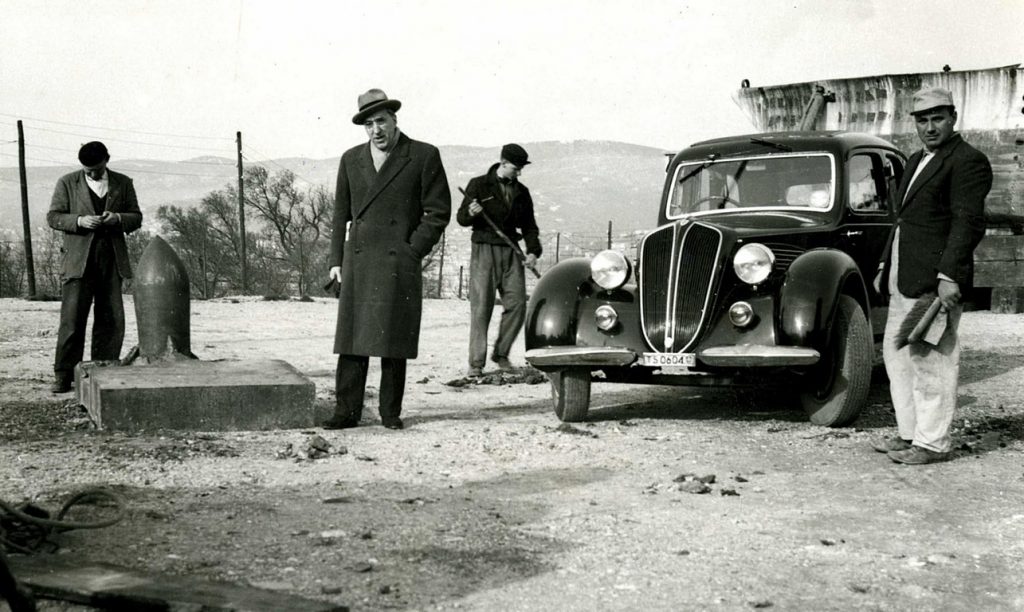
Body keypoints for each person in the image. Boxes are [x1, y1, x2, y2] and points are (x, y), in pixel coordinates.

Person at [873, 87, 992, 464]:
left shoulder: (967, 161)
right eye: (922, 120)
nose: (929, 127)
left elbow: (968, 223)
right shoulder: (915, 160)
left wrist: (949, 275)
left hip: (935, 281)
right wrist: (883, 265)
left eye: (937, 118)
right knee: (899, 359)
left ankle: (933, 443)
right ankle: (911, 434)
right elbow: (904, 220)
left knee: (932, 360)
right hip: (903, 277)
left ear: (953, 117)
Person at [324, 89, 451, 430]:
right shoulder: (351, 159)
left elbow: (438, 212)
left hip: (398, 261)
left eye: (381, 121)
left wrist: (412, 250)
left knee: (393, 338)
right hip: (359, 260)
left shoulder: (422, 155)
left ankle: (390, 413)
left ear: (395, 120)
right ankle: (346, 411)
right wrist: (336, 259)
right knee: (352, 338)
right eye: (368, 124)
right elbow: (340, 214)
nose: (376, 130)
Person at [46, 141, 143, 393]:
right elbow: (53, 216)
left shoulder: (123, 182)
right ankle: (64, 375)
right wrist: (79, 220)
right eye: (87, 170)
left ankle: (104, 371)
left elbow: (136, 216)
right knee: (72, 320)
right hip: (78, 262)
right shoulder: (67, 182)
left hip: (111, 260)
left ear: (107, 160)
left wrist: (118, 219)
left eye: (96, 170)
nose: (91, 174)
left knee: (110, 318)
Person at [456, 143, 542, 377]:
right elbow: (461, 218)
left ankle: (501, 354)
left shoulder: (522, 192)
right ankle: (476, 364)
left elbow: (529, 226)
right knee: (481, 307)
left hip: (511, 251)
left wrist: (533, 251)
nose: (520, 172)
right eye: (516, 168)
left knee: (517, 305)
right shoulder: (478, 184)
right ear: (503, 163)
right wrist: (471, 213)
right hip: (484, 250)